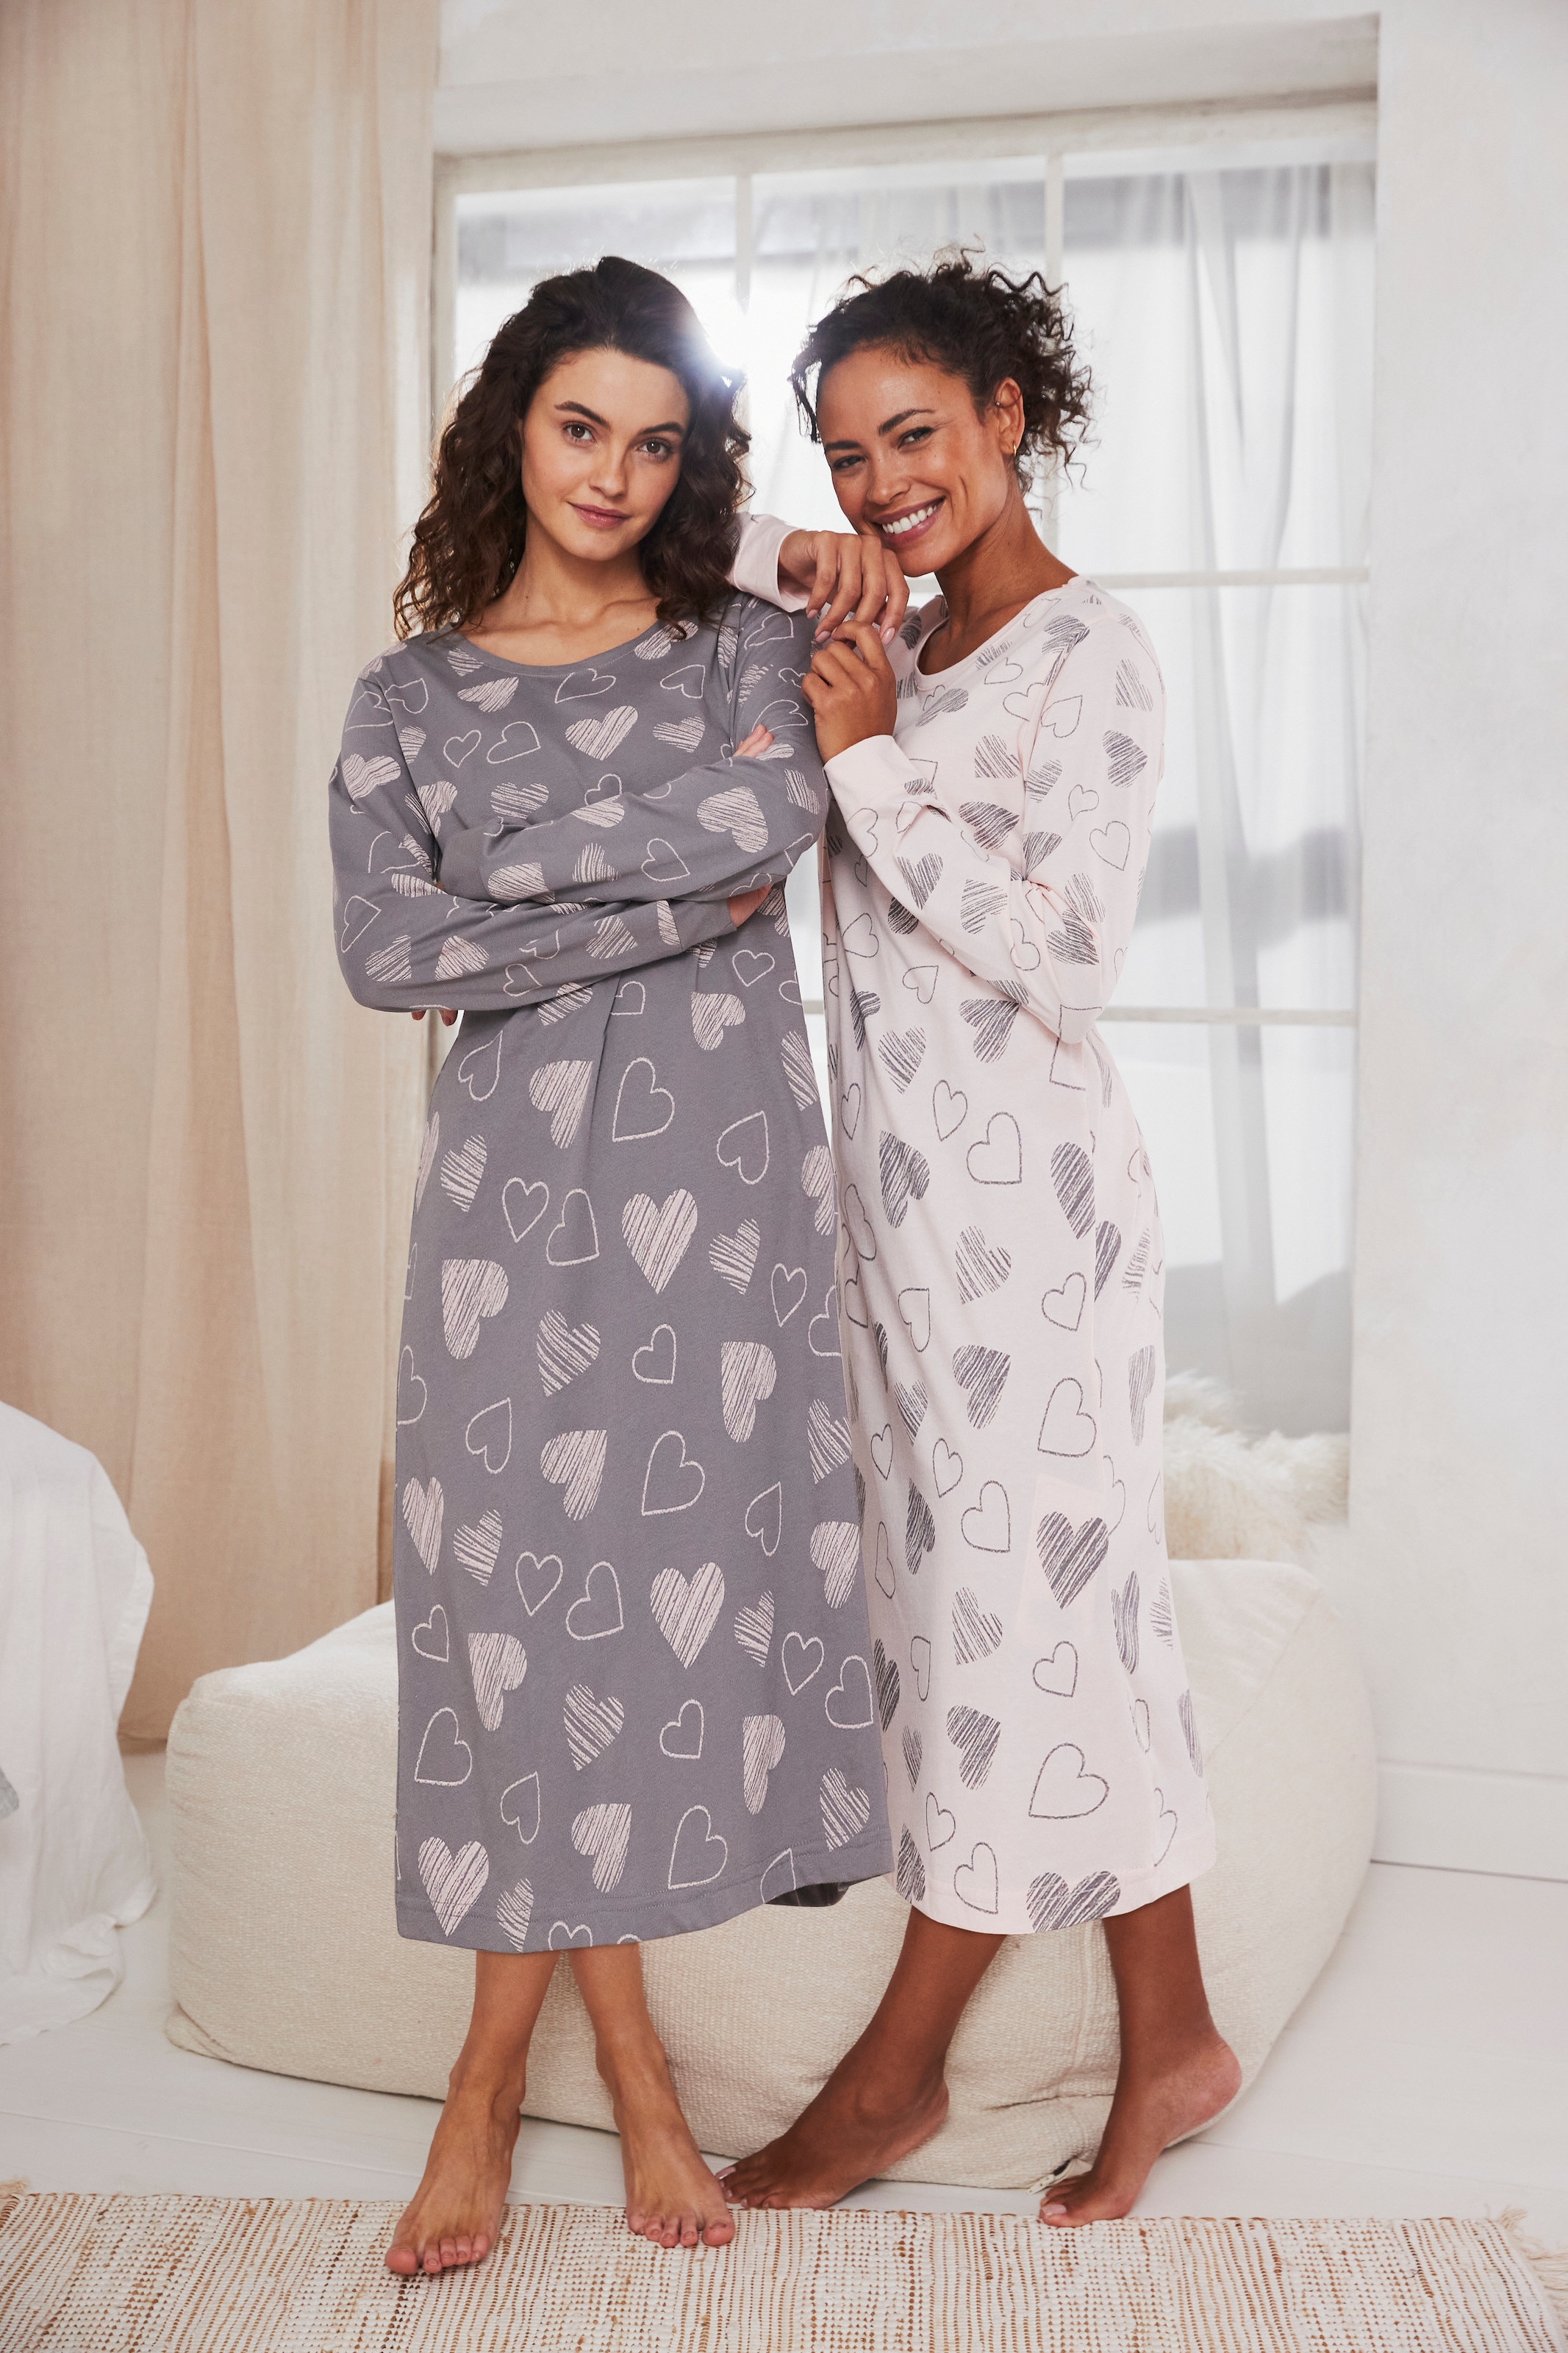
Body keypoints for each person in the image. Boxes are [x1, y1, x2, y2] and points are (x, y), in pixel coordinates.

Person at [328, 255, 899, 2271]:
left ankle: (527, 2078)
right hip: (505, 1217)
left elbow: (780, 817)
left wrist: (520, 889)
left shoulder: (748, 643)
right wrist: (668, 900)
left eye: (659, 446)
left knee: (640, 1633)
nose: (614, 476)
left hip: (716, 1213)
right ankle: (579, 2078)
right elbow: (387, 949)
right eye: (581, 428)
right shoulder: (409, 698)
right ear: (513, 426)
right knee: (511, 1627)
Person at [720, 254, 1241, 2224]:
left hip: (1038, 1221)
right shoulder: (897, 633)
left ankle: (894, 2080)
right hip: (898, 1213)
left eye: (916, 437)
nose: (882, 485)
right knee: (1033, 1612)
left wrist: (867, 760)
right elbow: (696, 564)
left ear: (1010, 416)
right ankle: (1177, 2040)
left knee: (1013, 1625)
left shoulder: (1090, 654)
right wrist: (802, 562)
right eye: (848, 457)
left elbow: (1070, 951)